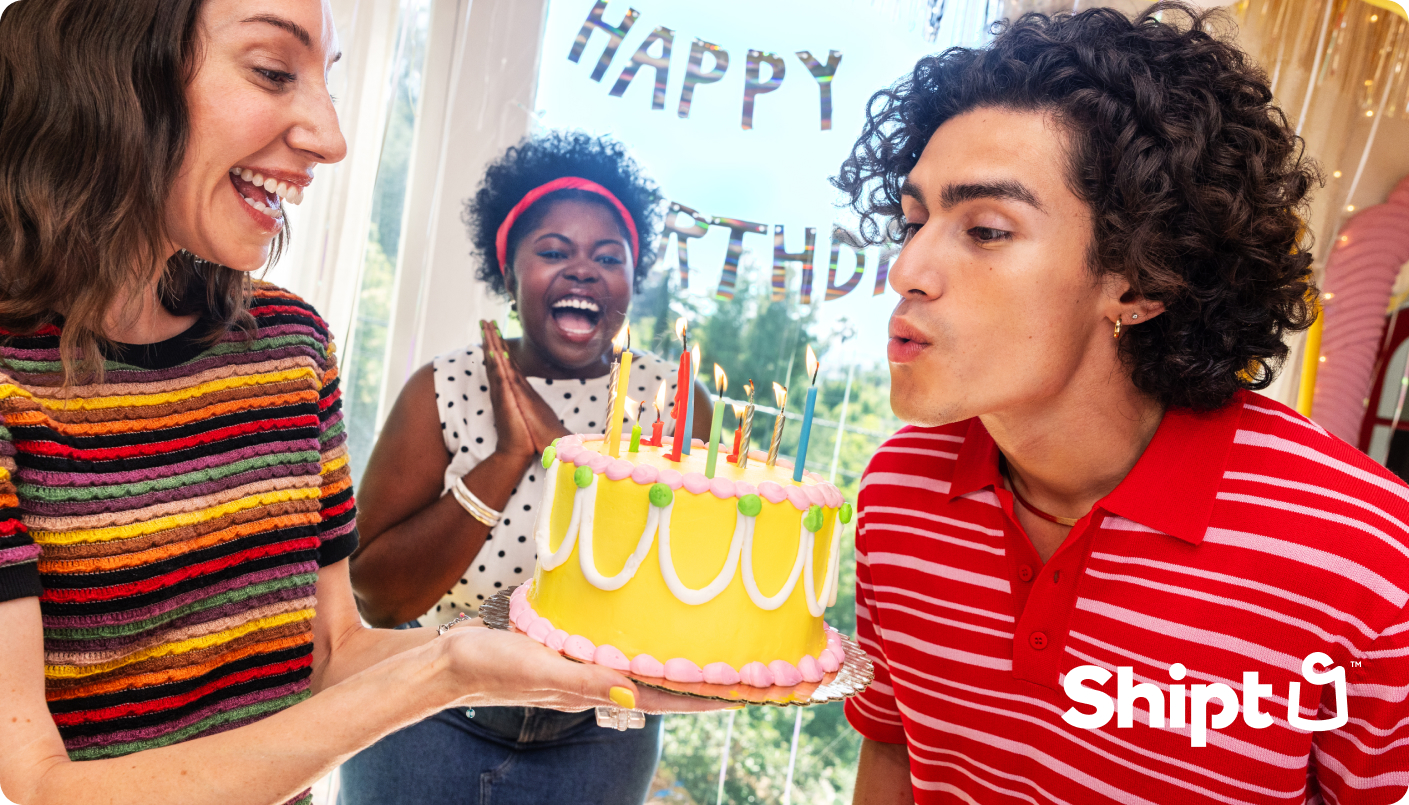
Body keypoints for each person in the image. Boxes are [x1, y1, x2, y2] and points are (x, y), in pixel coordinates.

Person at [0, 4, 721, 805]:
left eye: (325, 80)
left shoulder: (288, 343)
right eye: (274, 71)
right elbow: (40, 784)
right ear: (111, 72)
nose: (331, 138)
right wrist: (443, 672)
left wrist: (483, 654)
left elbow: (332, 648)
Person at [835, 4, 1409, 804]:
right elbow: (895, 752)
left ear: (1139, 278)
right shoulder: (898, 493)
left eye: (986, 229)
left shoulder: (1368, 556)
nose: (906, 269)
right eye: (914, 220)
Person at [340, 131, 714, 805]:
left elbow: (679, 592)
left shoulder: (675, 403)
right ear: (507, 271)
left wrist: (567, 449)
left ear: (631, 280)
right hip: (426, 713)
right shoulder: (442, 387)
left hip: (601, 735)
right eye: (552, 251)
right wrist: (510, 454)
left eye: (608, 255)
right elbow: (378, 596)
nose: (582, 270)